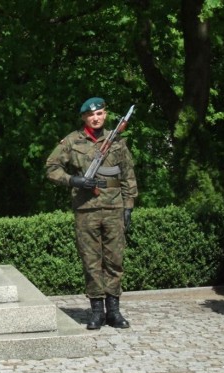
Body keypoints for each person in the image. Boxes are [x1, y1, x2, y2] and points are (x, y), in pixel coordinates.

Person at [45, 97, 138, 330]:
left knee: (115, 260)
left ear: (105, 114)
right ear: (84, 117)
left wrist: (128, 206)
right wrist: (73, 180)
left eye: (99, 114)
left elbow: (127, 175)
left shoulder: (116, 140)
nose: (95, 118)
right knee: (91, 261)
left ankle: (114, 311)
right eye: (90, 115)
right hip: (86, 208)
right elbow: (51, 168)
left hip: (114, 208)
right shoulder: (72, 141)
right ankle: (97, 311)